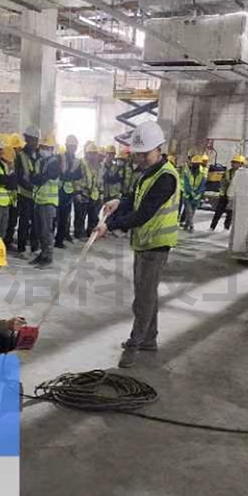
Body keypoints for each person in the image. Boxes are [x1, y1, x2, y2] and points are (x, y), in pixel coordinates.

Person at [94, 121, 180, 369]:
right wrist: (119, 202)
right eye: (138, 154)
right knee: (147, 295)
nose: (140, 158)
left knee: (143, 299)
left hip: (156, 244)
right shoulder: (149, 172)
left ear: (158, 149)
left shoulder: (166, 178)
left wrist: (109, 226)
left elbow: (143, 213)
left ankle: (135, 344)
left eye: (144, 154)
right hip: (144, 242)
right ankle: (148, 339)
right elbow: (136, 198)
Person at [29, 135, 61, 269]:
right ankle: (42, 254)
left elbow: (43, 178)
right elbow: (33, 177)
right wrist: (37, 178)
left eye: (47, 148)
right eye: (42, 147)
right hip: (38, 200)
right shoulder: (39, 161)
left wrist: (37, 178)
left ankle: (48, 258)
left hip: (49, 202)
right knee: (40, 231)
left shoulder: (54, 163)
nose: (44, 150)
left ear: (52, 149)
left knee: (47, 231)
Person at [14, 126, 40, 259]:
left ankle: (35, 247)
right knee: (24, 222)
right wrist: (29, 186)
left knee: (36, 222)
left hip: (37, 194)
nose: (34, 143)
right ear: (26, 139)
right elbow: (19, 176)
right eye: (31, 139)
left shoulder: (39, 155)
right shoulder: (20, 155)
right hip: (24, 193)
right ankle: (21, 248)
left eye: (36, 140)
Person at [55, 134, 82, 248]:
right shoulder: (60, 157)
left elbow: (78, 176)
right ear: (66, 146)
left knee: (64, 218)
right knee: (55, 217)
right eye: (70, 146)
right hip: (58, 191)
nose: (72, 148)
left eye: (74, 146)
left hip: (69, 192)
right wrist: (68, 175)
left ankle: (59, 241)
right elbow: (58, 173)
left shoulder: (77, 161)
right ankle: (51, 239)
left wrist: (77, 193)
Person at [73, 142, 102, 240]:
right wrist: (77, 193)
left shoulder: (97, 166)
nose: (93, 156)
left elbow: (99, 180)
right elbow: (76, 179)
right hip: (82, 193)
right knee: (80, 216)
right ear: (86, 153)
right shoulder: (81, 163)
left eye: (94, 153)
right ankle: (79, 234)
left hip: (92, 194)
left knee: (93, 216)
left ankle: (90, 233)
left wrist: (100, 194)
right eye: (91, 153)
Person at [210, 154, 246, 231]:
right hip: (225, 195)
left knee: (230, 213)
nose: (234, 164)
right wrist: (222, 194)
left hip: (234, 196)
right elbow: (222, 183)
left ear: (241, 164)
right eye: (234, 162)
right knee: (218, 212)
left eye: (236, 162)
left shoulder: (243, 174)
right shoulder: (228, 172)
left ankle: (226, 227)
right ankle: (212, 227)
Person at [181, 154, 209, 232]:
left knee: (192, 212)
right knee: (189, 211)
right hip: (188, 196)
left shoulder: (202, 173)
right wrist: (191, 192)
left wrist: (198, 194)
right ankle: (191, 226)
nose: (195, 165)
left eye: (197, 164)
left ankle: (186, 224)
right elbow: (186, 184)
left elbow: (202, 185)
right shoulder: (187, 172)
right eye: (194, 164)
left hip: (197, 196)